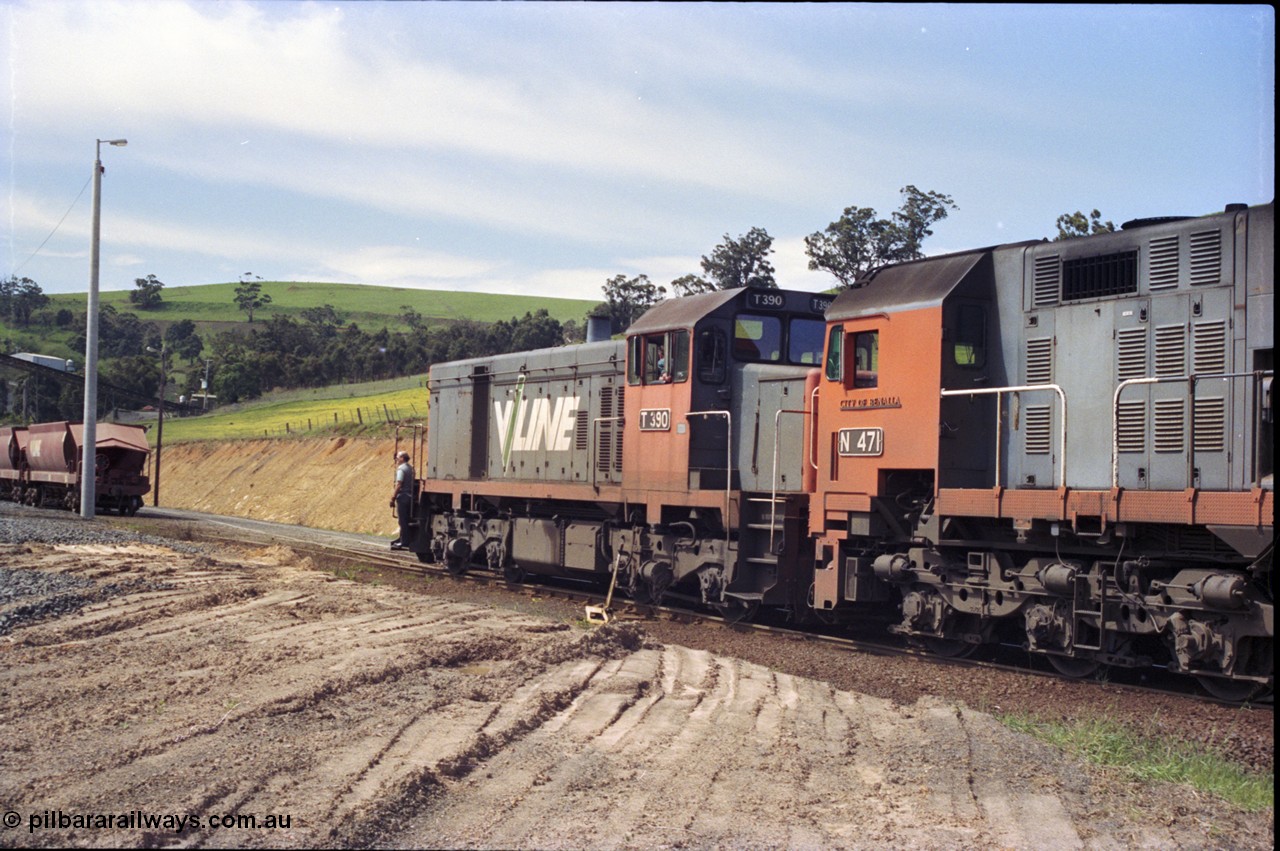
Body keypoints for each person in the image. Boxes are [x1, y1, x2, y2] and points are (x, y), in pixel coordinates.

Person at [389, 450, 415, 550]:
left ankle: (404, 542)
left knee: (402, 520)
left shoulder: (401, 469)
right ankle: (403, 539)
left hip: (403, 496)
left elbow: (399, 484)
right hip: (410, 496)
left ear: (402, 458)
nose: (396, 459)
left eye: (398, 457)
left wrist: (393, 498)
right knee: (406, 519)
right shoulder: (410, 468)